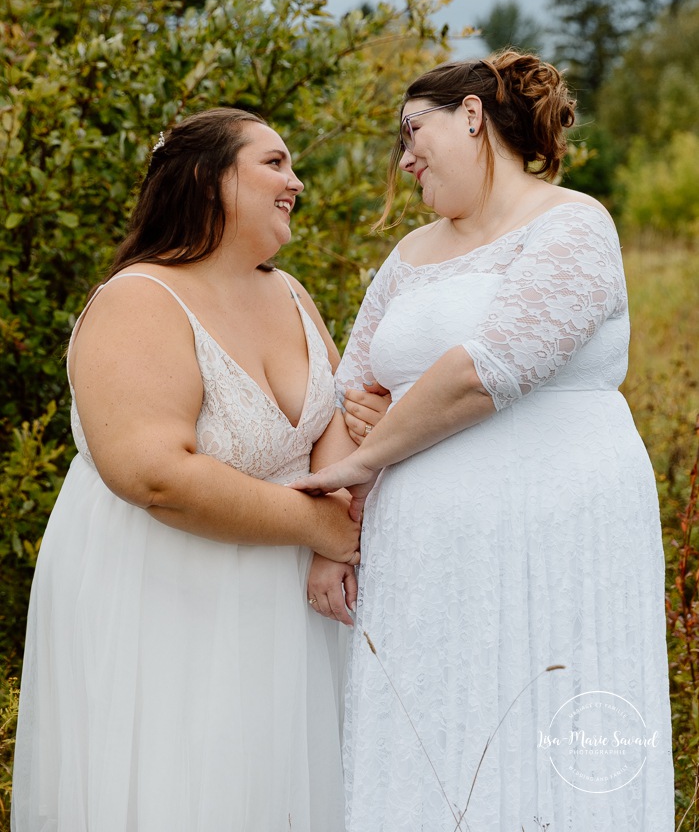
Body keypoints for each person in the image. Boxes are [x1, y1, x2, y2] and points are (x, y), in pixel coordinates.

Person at [294, 53, 674, 831]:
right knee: (431, 733)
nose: (404, 157)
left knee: (546, 714)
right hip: (420, 551)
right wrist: (336, 530)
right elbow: (354, 385)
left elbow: (489, 368)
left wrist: (372, 451)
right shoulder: (406, 256)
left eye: (412, 129)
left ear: (471, 115)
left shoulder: (573, 222)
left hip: (556, 528)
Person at [11, 107, 382, 832]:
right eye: (274, 163)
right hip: (167, 596)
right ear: (210, 180)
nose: (296, 181)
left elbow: (331, 419)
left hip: (288, 605)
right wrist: (321, 527)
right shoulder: (139, 300)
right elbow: (153, 474)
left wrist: (339, 496)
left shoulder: (289, 291)